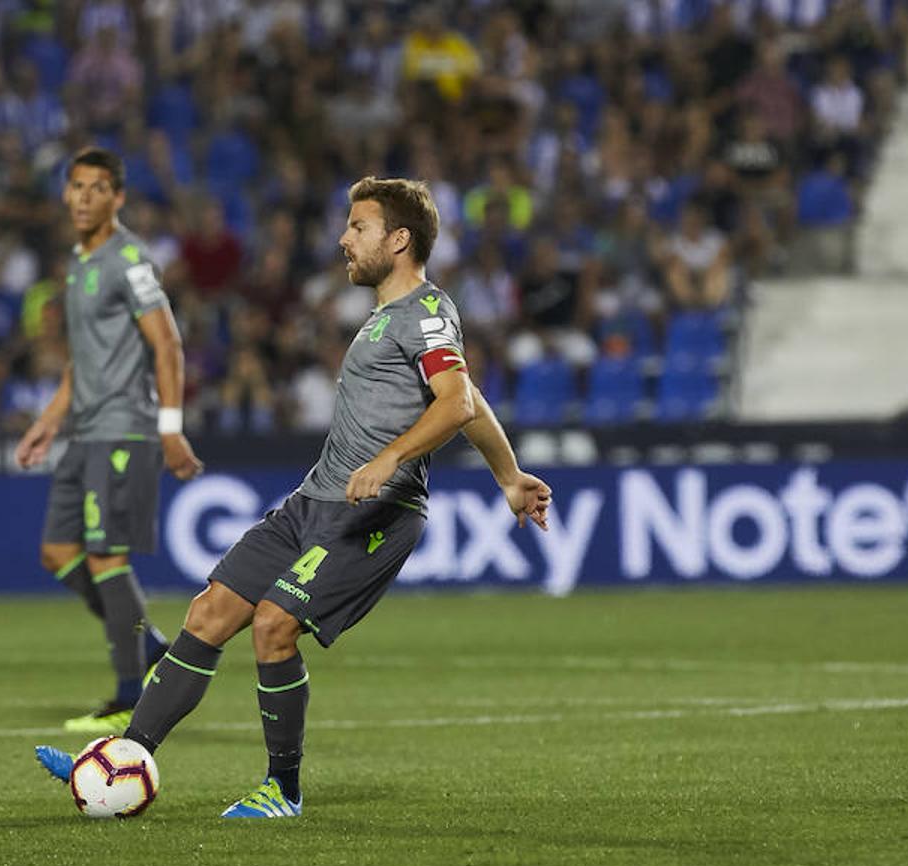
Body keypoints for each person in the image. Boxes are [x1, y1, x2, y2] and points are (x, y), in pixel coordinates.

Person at [34, 177, 552, 817]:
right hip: (316, 501)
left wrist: (392, 457)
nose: (343, 239)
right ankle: (123, 757)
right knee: (208, 613)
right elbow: (466, 399)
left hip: (375, 512)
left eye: (358, 227)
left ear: (399, 239)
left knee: (275, 627)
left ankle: (284, 788)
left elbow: (455, 401)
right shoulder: (390, 318)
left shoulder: (424, 312)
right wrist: (507, 476)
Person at [15, 146, 204, 734]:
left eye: (99, 188)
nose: (85, 197)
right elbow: (85, 362)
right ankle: (147, 646)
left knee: (105, 556)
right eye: (77, 186)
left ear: (118, 197)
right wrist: (49, 419)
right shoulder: (80, 264)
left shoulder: (128, 260)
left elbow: (167, 343)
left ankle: (128, 693)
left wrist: (170, 429)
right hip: (85, 430)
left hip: (125, 428)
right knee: (58, 553)